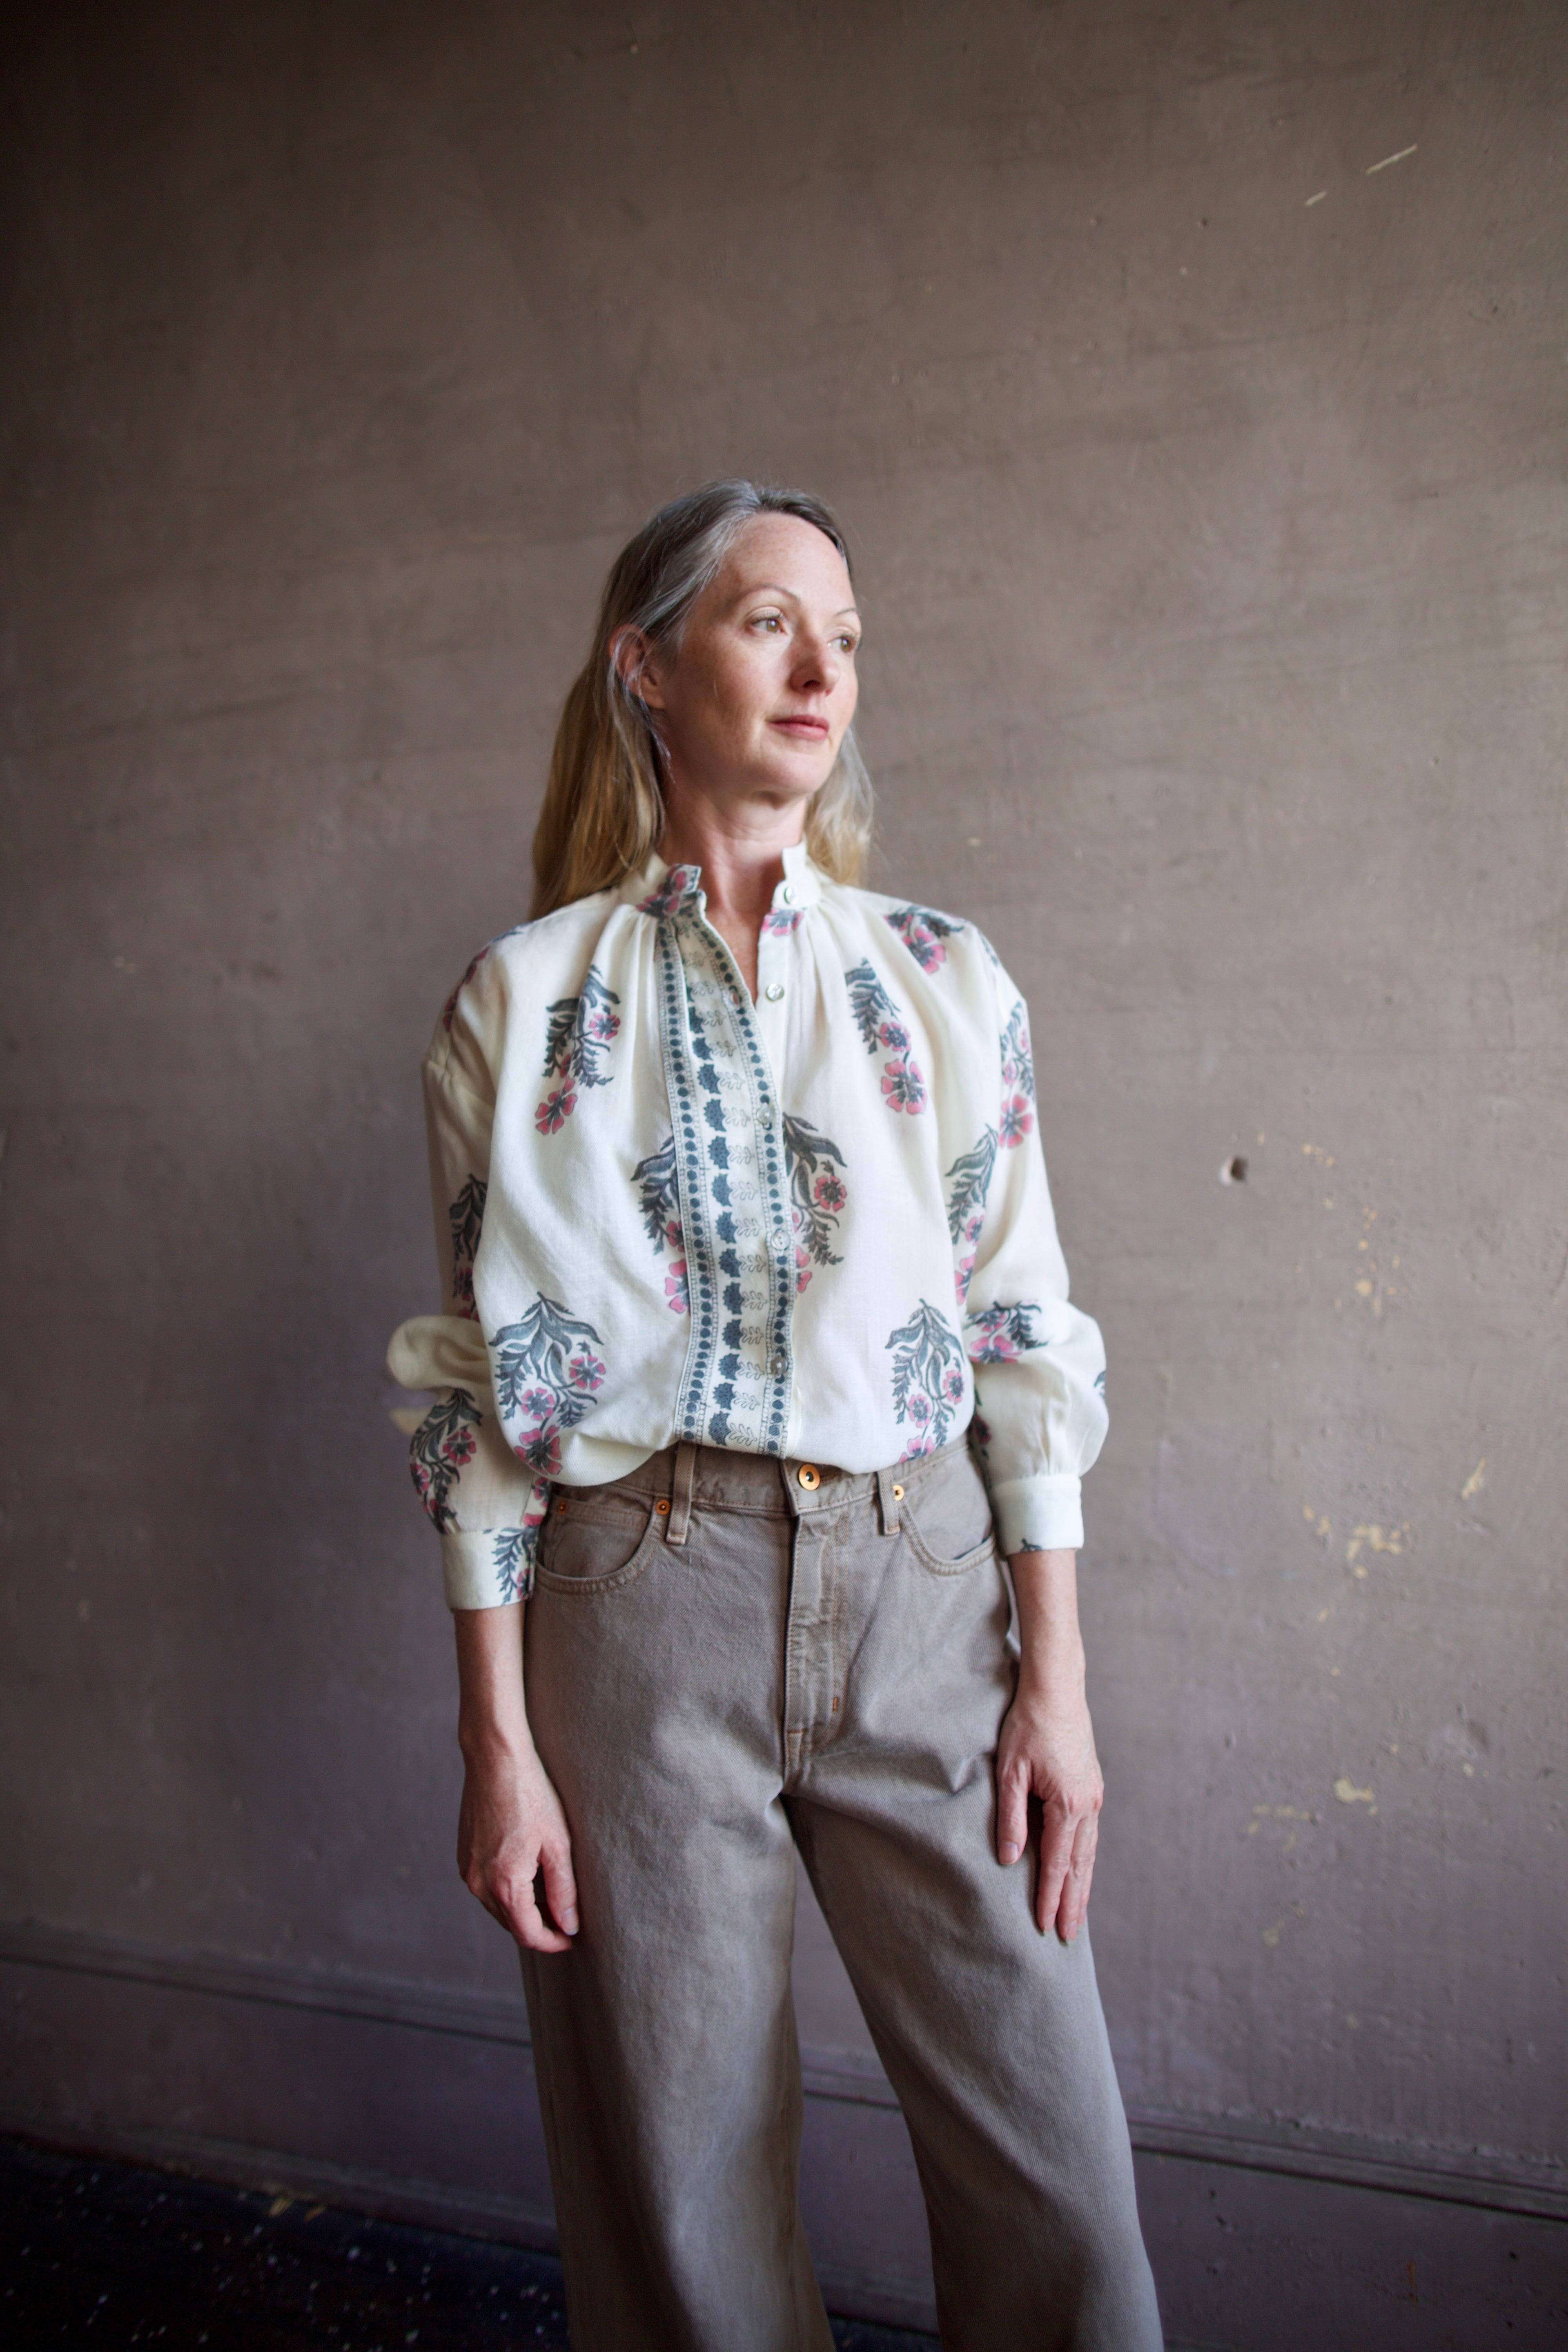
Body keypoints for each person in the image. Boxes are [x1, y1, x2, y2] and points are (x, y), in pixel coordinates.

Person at [387, 480, 1163, 2351]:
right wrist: (498, 1745)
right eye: (767, 624)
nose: (825, 670)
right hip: (638, 1604)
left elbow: (1020, 1338)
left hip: (921, 1583)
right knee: (686, 2210)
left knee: (1054, 2169)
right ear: (645, 665)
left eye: (847, 638)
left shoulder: (949, 982)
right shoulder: (520, 1005)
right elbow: (482, 1409)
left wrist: (1052, 1681)